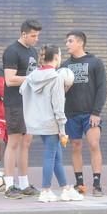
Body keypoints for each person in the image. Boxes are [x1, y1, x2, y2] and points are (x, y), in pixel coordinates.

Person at [20, 45, 83, 203]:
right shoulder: (56, 77)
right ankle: (46, 190)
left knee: (56, 157)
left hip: (36, 122)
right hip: (51, 122)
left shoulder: (33, 75)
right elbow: (58, 107)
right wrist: (62, 129)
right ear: (56, 57)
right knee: (50, 156)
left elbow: (22, 90)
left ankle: (66, 189)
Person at [62, 31, 107, 197]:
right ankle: (79, 183)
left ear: (80, 43)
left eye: (70, 41)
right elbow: (60, 92)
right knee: (75, 145)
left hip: (90, 113)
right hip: (71, 114)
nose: (67, 44)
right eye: (67, 41)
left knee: (94, 144)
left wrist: (96, 112)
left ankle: (97, 184)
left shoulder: (95, 62)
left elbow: (102, 88)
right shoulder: (64, 66)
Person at [1, 19, 42, 199]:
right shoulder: (12, 51)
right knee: (14, 143)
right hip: (15, 103)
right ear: (23, 34)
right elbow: (9, 79)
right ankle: (10, 185)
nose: (36, 39)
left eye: (37, 35)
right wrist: (33, 79)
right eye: (33, 36)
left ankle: (24, 183)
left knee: (26, 143)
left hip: (30, 102)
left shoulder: (33, 51)